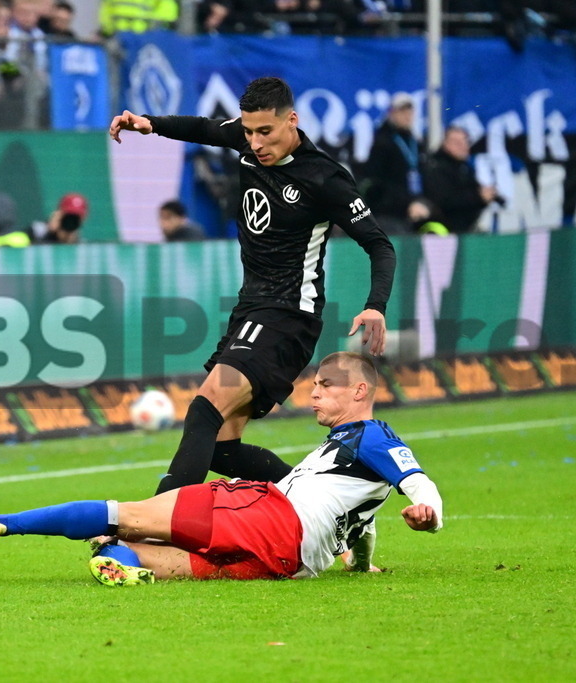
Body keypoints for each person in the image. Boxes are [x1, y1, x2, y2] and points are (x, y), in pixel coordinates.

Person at [109, 77, 396, 496]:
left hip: (287, 315)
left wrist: (376, 305)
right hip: (252, 308)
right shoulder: (248, 141)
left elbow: (379, 245)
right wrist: (150, 123)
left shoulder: (325, 178)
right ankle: (325, 510)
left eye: (266, 131)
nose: (256, 142)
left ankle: (154, 527)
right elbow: (206, 128)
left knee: (205, 409)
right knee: (221, 449)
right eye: (248, 132)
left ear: (292, 120)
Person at [0, 352, 444, 586]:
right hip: (289, 563)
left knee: (127, 513)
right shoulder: (350, 452)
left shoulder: (373, 434)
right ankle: (124, 562)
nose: (313, 393)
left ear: (360, 392)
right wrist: (360, 563)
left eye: (326, 386)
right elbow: (362, 514)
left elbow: (416, 481)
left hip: (266, 514)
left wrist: (429, 510)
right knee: (167, 560)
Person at [356, 92, 430, 235]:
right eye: (402, 112)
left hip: (415, 209)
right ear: (392, 114)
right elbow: (378, 183)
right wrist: (407, 204)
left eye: (409, 112)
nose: (407, 116)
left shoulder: (416, 143)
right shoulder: (383, 143)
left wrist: (421, 202)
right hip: (389, 213)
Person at [420, 125, 499, 235]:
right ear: (445, 144)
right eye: (457, 143)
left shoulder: (464, 168)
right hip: (441, 232)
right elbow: (445, 200)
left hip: (464, 231)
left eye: (465, 142)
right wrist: (478, 197)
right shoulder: (436, 167)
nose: (463, 146)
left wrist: (485, 197)